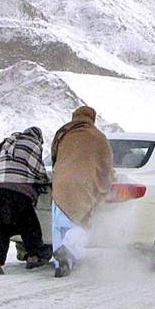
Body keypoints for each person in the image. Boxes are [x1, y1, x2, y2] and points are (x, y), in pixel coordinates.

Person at [50, 106, 114, 278]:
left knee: (58, 226)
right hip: (83, 184)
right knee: (82, 223)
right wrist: (105, 186)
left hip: (60, 183)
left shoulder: (62, 134)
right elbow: (106, 167)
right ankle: (68, 250)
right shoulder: (99, 138)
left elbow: (54, 156)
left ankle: (60, 265)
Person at [0, 127, 51, 275]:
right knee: (29, 225)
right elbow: (38, 170)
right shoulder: (33, 144)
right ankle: (32, 258)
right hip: (18, 191)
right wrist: (45, 181)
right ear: (38, 137)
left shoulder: (10, 141)